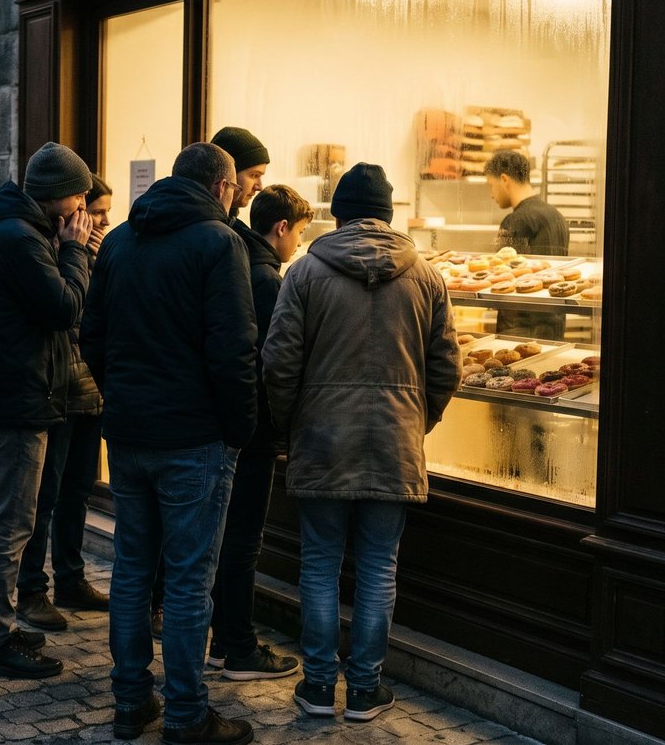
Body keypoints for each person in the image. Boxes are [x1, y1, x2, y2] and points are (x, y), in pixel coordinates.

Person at [262, 163, 459, 724]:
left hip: (322, 439)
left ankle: (320, 687)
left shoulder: (304, 273)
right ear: (388, 213)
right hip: (393, 441)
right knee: (378, 567)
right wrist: (416, 421)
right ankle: (366, 690)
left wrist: (288, 425)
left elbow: (279, 363)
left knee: (321, 565)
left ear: (340, 213)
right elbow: (447, 367)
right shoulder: (424, 275)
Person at [82, 142, 257, 745]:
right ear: (221, 186)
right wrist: (239, 428)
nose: (236, 198)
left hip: (130, 433)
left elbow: (93, 334)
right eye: (235, 188)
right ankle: (186, 714)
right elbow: (233, 350)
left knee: (132, 571)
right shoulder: (218, 242)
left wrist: (121, 395)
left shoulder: (123, 240)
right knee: (186, 581)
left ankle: (131, 702)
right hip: (193, 437)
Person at [0, 142, 93, 679]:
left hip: (11, 395)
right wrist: (76, 251)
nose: (85, 207)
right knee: (10, 524)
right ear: (59, 197)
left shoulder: (15, 231)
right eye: (80, 195)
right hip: (18, 400)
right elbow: (64, 307)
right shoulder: (21, 238)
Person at [203, 126, 302, 684]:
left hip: (193, 424)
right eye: (254, 176)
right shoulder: (256, 269)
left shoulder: (223, 245)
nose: (254, 186)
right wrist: (258, 425)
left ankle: (220, 642)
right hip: (241, 428)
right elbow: (255, 359)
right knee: (239, 541)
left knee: (208, 543)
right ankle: (234, 645)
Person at [16, 176, 113, 624]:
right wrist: (78, 255)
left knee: (77, 490)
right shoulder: (49, 252)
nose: (104, 220)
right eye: (96, 211)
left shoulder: (98, 255)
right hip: (58, 387)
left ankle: (70, 578)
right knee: (45, 494)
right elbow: (67, 313)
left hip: (91, 387)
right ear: (73, 212)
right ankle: (32, 589)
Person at [485, 149, 569, 340]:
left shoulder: (516, 220)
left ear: (504, 179)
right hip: (554, 324)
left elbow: (503, 276)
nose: (491, 194)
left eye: (491, 185)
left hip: (520, 327)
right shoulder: (557, 216)